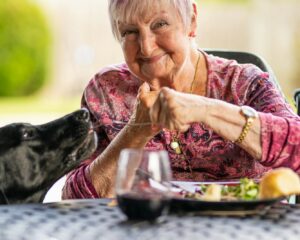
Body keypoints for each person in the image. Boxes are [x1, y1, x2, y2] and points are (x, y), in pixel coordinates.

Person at [62, 0, 300, 199]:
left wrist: (206, 110)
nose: (146, 47)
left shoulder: (245, 83)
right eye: (129, 32)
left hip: (242, 227)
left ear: (192, 21)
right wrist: (136, 131)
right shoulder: (106, 90)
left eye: (160, 24)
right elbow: (73, 199)